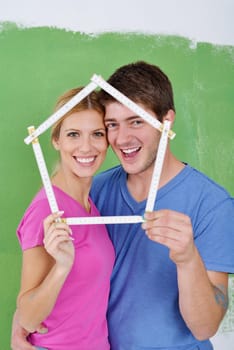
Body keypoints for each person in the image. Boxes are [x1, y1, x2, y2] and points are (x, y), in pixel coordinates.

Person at [12, 61, 234, 350]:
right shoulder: (94, 191)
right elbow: (55, 284)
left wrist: (188, 258)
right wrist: (21, 325)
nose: (123, 138)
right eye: (112, 125)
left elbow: (205, 326)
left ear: (166, 122)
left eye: (136, 121)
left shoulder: (213, 204)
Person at [14, 87, 115, 350]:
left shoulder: (90, 204)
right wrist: (61, 268)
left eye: (97, 134)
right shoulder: (47, 211)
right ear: (56, 140)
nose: (86, 146)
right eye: (73, 134)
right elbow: (27, 316)